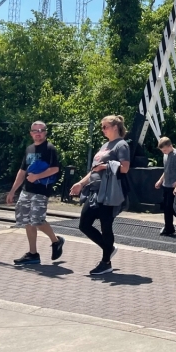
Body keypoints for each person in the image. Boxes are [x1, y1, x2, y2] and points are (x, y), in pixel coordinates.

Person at [69, 115, 130, 275]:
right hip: (94, 191)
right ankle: (109, 248)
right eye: (102, 127)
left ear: (115, 127)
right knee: (84, 224)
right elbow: (94, 170)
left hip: (108, 191)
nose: (102, 130)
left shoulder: (121, 145)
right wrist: (80, 183)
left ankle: (106, 262)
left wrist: (105, 166)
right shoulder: (105, 145)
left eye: (105, 127)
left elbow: (125, 168)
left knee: (105, 226)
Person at [6, 121, 64, 265]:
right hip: (26, 191)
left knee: (37, 220)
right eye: (35, 131)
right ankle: (33, 254)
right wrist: (12, 191)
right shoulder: (29, 149)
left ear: (45, 132)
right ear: (31, 133)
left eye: (41, 130)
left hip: (41, 191)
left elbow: (55, 169)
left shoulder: (49, 148)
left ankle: (56, 241)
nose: (38, 133)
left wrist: (37, 176)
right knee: (27, 221)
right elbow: (22, 171)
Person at [155, 137, 176, 236]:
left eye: (165, 150)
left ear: (170, 146)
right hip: (166, 184)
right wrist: (160, 180)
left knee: (172, 206)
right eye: (162, 151)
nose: (164, 152)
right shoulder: (165, 155)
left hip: (174, 185)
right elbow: (166, 170)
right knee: (166, 207)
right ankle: (169, 227)